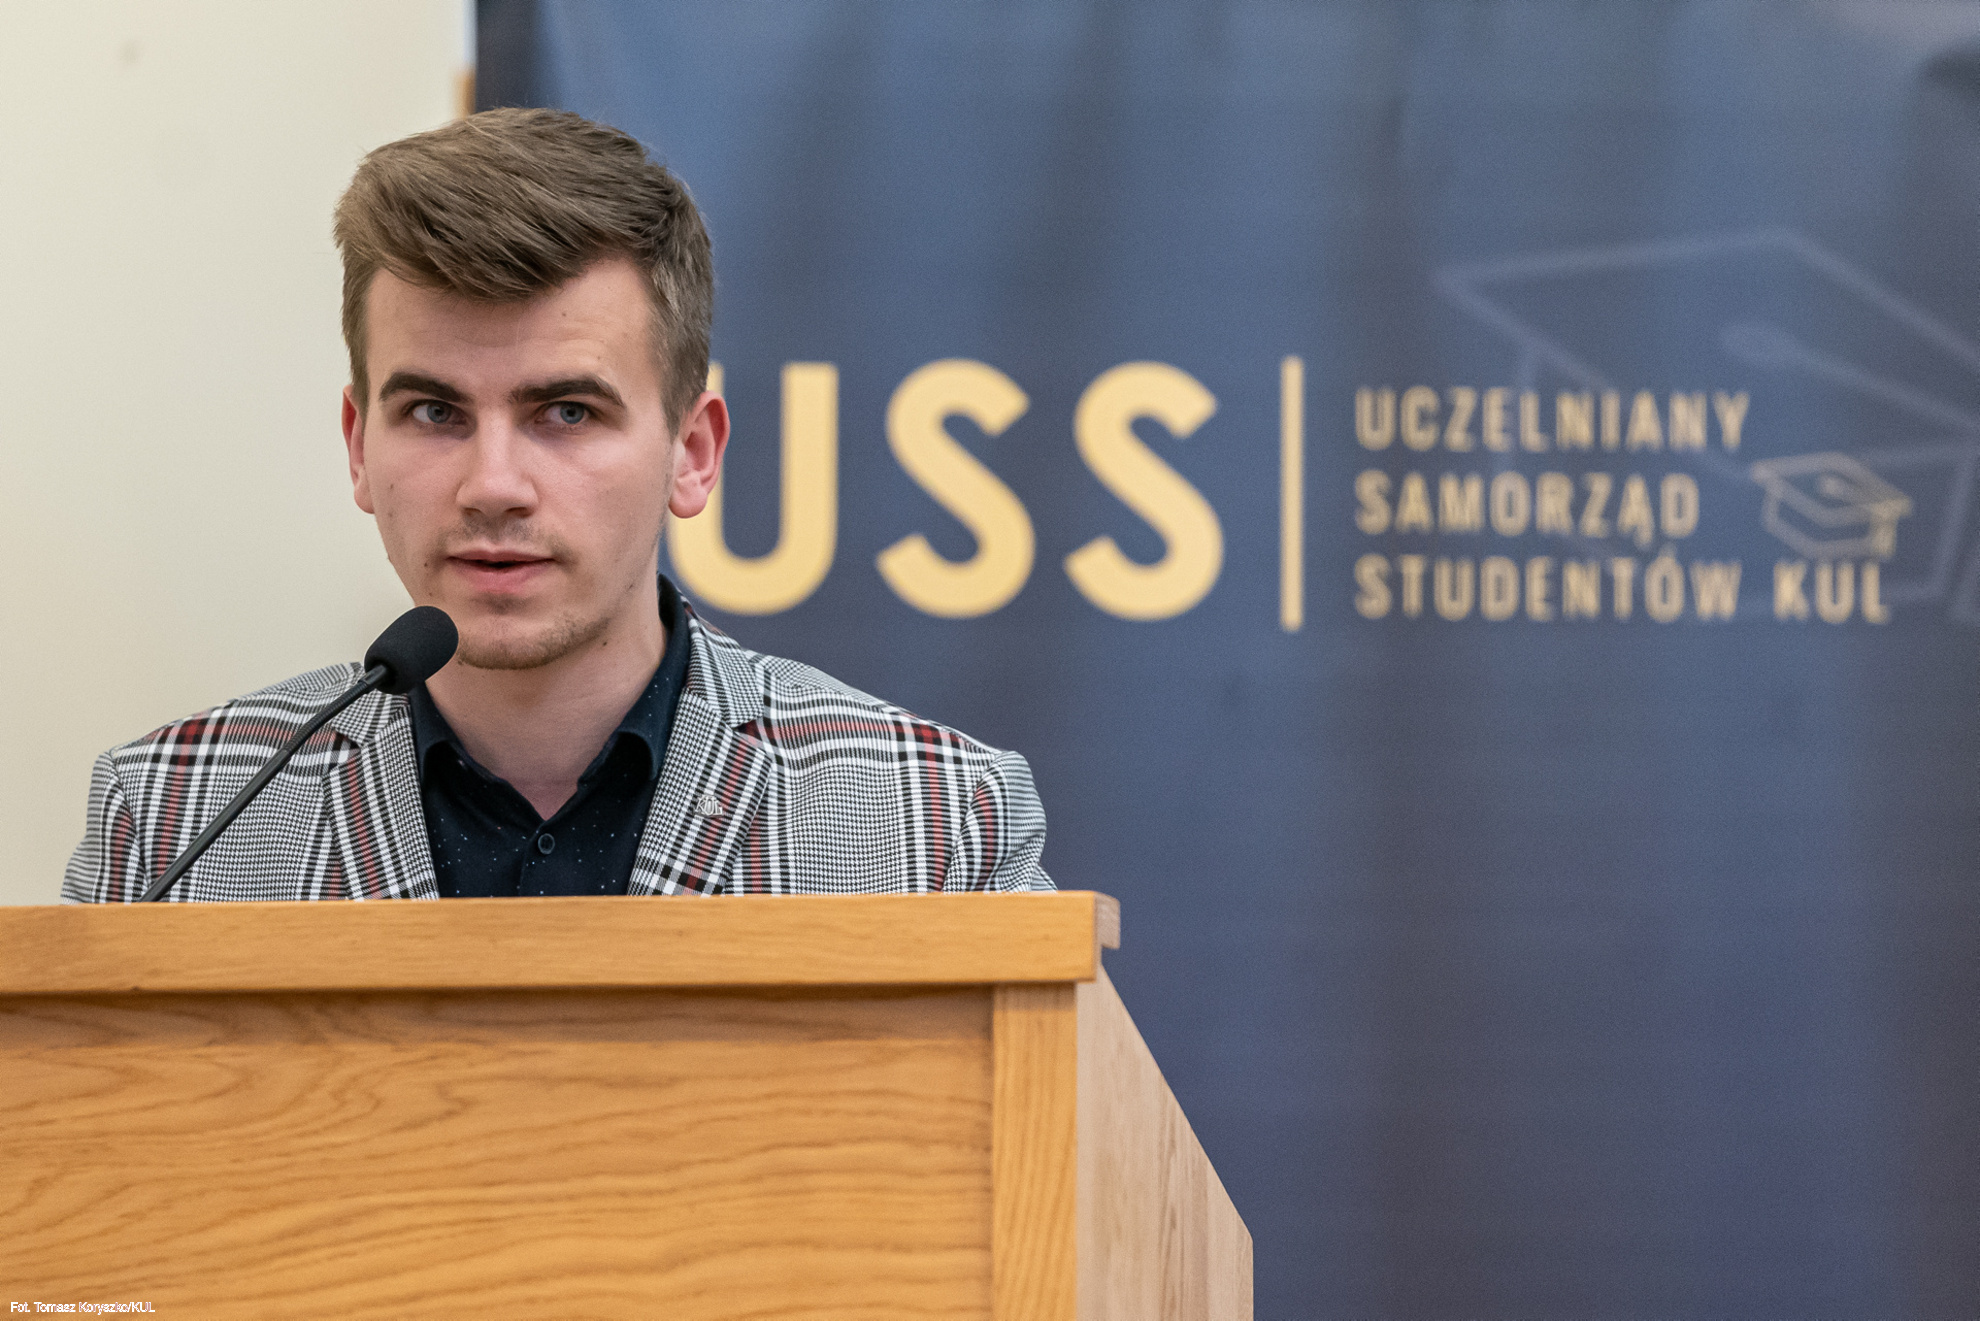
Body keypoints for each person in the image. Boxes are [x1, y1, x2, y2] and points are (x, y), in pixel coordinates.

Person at [64, 109, 1050, 903]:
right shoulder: (172, 826)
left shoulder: (937, 827)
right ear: (359, 446)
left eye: (567, 412)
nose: (493, 484)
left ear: (693, 453)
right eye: (435, 412)